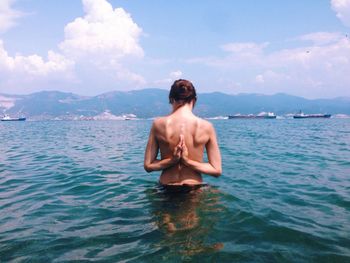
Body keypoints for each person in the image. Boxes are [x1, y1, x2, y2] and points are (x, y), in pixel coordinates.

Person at [144, 79, 222, 190]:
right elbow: (216, 170)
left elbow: (148, 166)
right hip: (194, 188)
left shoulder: (158, 124)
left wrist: (172, 161)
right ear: (194, 100)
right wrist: (188, 162)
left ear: (171, 99)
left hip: (166, 188)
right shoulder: (206, 126)